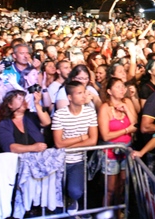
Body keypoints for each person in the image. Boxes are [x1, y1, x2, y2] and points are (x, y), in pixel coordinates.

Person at [52, 81, 98, 214]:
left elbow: (93, 140)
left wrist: (69, 144)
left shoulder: (90, 113)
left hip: (78, 160)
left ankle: (72, 201)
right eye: (79, 93)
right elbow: (58, 143)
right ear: (70, 97)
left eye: (84, 92)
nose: (84, 96)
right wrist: (81, 138)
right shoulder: (60, 114)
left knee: (75, 191)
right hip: (60, 160)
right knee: (57, 196)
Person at [98, 77, 137, 207]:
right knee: (110, 189)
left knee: (122, 185)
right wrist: (126, 130)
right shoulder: (105, 108)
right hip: (110, 153)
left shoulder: (127, 102)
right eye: (118, 87)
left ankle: (118, 212)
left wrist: (126, 109)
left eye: (123, 86)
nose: (122, 89)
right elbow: (105, 135)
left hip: (126, 150)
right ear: (109, 91)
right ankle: (105, 214)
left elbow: (135, 125)